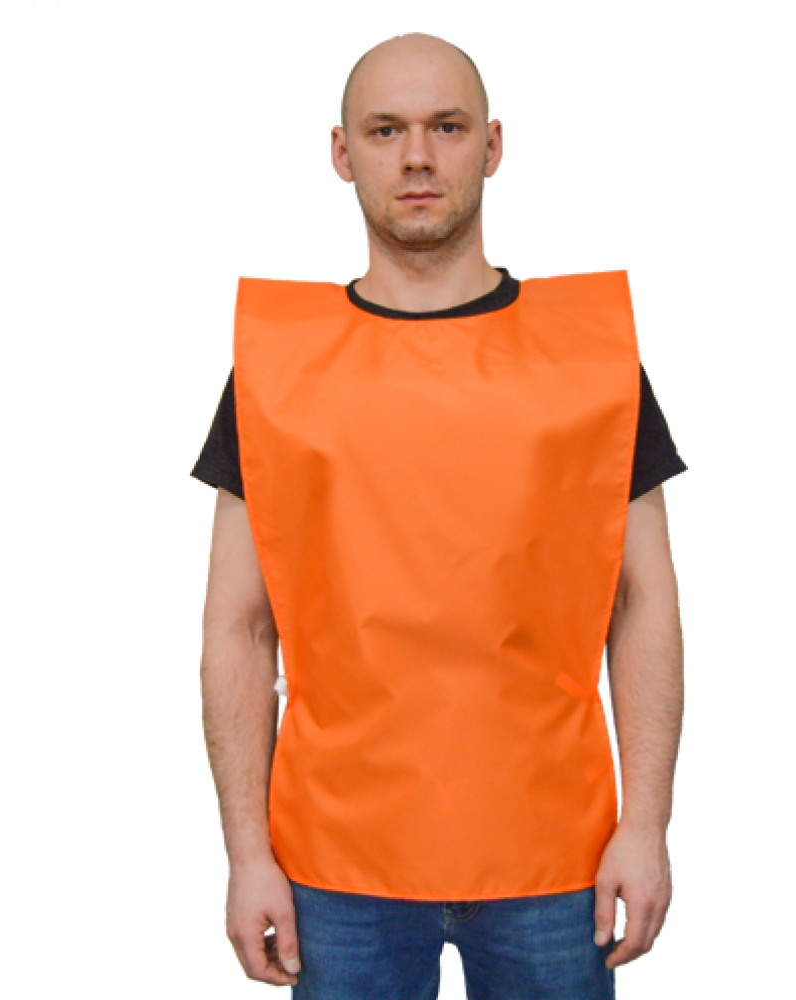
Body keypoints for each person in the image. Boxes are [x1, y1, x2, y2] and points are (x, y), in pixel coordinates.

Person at [192, 32, 686, 999]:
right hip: (335, 862)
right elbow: (236, 626)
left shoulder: (589, 361)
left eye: (446, 128)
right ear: (342, 153)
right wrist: (246, 853)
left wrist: (648, 824)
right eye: (386, 130)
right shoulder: (278, 371)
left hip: (557, 854)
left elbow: (645, 602)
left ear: (492, 146)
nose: (417, 157)